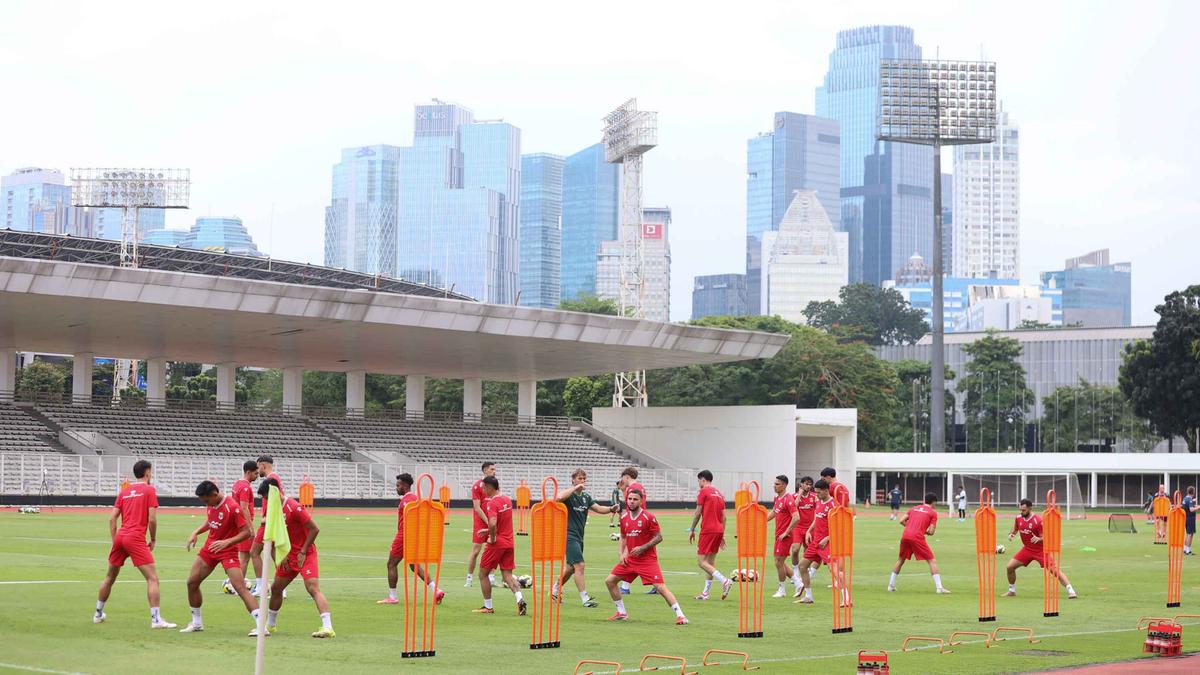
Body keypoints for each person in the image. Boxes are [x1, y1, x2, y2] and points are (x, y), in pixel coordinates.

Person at [93, 459, 176, 628]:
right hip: (135, 537)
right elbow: (152, 519)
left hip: (121, 536)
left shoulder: (125, 491)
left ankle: (97, 614)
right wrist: (153, 538)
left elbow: (112, 518)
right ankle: (156, 619)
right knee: (152, 578)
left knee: (109, 577)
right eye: (150, 472)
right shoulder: (149, 490)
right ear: (147, 473)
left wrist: (115, 540)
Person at [257, 478, 336, 638]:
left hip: (305, 554)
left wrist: (303, 551)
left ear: (276, 492)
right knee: (276, 589)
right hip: (287, 556)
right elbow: (271, 541)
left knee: (312, 587)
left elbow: (314, 529)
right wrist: (280, 558)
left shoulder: (294, 507)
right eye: (264, 498)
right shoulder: (272, 511)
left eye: (267, 497)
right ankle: (270, 626)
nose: (265, 500)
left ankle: (328, 627)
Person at [180, 480, 259, 633]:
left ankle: (261, 626)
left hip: (227, 551)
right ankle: (196, 623)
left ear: (215, 494)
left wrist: (227, 542)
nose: (206, 504)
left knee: (240, 587)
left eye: (207, 501)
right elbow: (211, 522)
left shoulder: (233, 508)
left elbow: (247, 532)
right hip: (210, 549)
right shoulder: (211, 504)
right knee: (191, 582)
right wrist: (195, 532)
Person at [603, 486, 688, 625]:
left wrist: (643, 548)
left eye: (635, 499)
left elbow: (659, 537)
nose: (631, 502)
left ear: (641, 501)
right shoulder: (624, 517)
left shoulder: (649, 517)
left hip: (647, 560)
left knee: (660, 587)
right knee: (610, 581)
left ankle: (681, 616)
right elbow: (624, 537)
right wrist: (622, 553)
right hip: (630, 560)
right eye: (629, 499)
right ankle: (621, 612)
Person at [552, 469, 616, 607]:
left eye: (583, 479)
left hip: (579, 536)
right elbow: (557, 497)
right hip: (568, 535)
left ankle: (555, 589)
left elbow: (598, 508)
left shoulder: (586, 497)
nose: (582, 481)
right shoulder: (569, 495)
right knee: (580, 565)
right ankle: (585, 598)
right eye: (579, 478)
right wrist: (574, 488)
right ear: (573, 480)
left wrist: (611, 509)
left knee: (570, 568)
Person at [378, 473, 444, 606]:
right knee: (414, 566)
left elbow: (412, 520)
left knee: (391, 564)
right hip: (414, 535)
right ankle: (435, 590)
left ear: (405, 485)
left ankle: (393, 597)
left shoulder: (408, 500)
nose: (396, 488)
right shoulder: (416, 498)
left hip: (405, 535)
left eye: (398, 485)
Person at [472, 476, 527, 615]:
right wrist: (488, 530)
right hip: (509, 542)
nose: (483, 490)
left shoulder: (492, 503)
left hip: (497, 543)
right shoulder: (507, 500)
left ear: (490, 488)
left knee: (482, 574)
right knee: (508, 575)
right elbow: (500, 522)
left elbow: (492, 523)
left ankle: (488, 606)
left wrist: (492, 536)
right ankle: (520, 599)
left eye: (484, 487)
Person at [1004, 498, 1077, 599]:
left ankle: (1071, 591)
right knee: (1010, 567)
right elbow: (1016, 529)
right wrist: (1012, 534)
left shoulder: (1038, 521)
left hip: (1040, 551)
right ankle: (1011, 591)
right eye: (1020, 510)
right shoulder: (1018, 518)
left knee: (1054, 570)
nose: (1021, 512)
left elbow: (1045, 537)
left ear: (1030, 508)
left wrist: (1039, 539)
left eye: (1024, 510)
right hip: (1027, 549)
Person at [795, 479, 849, 606]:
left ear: (826, 491)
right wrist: (809, 530)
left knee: (834, 569)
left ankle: (846, 598)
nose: (817, 495)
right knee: (802, 566)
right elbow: (817, 518)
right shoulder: (819, 502)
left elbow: (841, 526)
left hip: (828, 543)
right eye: (816, 492)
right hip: (815, 542)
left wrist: (828, 538)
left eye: (819, 492)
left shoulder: (834, 506)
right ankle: (808, 596)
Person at [888, 492, 950, 594]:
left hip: (905, 535)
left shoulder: (914, 508)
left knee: (900, 560)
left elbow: (901, 520)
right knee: (931, 561)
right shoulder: (933, 513)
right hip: (917, 537)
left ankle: (891, 586)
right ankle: (939, 588)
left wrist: (911, 527)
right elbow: (931, 532)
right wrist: (923, 531)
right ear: (933, 502)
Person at [688, 470, 731, 600]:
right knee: (710, 563)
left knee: (701, 562)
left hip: (708, 529)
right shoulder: (719, 493)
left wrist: (692, 529)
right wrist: (722, 534)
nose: (699, 484)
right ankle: (705, 593)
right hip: (718, 530)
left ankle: (725, 581)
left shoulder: (703, 492)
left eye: (699, 481)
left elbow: (697, 513)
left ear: (702, 479)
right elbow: (724, 517)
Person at [249, 455, 284, 596]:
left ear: (263, 465)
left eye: (258, 468)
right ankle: (281, 587)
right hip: (271, 523)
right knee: (274, 553)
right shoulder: (275, 478)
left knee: (254, 552)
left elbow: (280, 499)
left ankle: (261, 587)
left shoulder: (272, 479)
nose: (258, 471)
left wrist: (268, 518)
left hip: (268, 524)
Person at [225, 460, 259, 595]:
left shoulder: (237, 484)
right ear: (248, 472)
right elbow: (244, 507)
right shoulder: (245, 487)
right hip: (244, 525)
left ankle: (235, 583)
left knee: (242, 557)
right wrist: (250, 528)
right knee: (245, 558)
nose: (257, 476)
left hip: (238, 524)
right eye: (255, 473)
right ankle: (238, 587)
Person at [764, 475, 799, 598]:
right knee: (780, 562)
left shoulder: (788, 499)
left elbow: (796, 517)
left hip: (785, 536)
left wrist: (786, 532)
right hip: (778, 535)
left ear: (784, 485)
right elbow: (774, 512)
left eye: (777, 484)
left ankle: (782, 590)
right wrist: (761, 521)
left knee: (778, 562)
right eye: (774, 484)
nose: (774, 486)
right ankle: (798, 583)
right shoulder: (778, 498)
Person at [465, 462, 497, 588]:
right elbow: (477, 508)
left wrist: (493, 521)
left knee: (493, 549)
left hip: (492, 522)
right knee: (476, 551)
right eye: (492, 469)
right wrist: (487, 521)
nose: (494, 471)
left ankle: (492, 577)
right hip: (480, 523)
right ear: (485, 470)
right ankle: (469, 578)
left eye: (495, 469)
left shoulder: (495, 485)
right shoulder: (477, 486)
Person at [616, 467, 645, 594]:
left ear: (626, 476)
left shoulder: (632, 489)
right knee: (642, 556)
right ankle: (625, 587)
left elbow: (630, 507)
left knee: (628, 555)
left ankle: (625, 588)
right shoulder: (639, 487)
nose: (622, 480)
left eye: (623, 477)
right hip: (640, 522)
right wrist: (623, 491)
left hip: (635, 523)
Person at [790, 476, 818, 596]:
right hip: (797, 528)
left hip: (810, 529)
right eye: (806, 484)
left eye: (810, 484)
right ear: (801, 485)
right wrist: (800, 495)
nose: (808, 486)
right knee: (795, 550)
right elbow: (793, 507)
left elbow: (817, 511)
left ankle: (806, 573)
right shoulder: (794, 496)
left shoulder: (814, 497)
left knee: (808, 553)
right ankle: (795, 571)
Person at [1183, 486, 1197, 555]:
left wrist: (1193, 501)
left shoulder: (1185, 499)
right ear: (1193, 492)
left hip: (1186, 518)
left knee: (1188, 534)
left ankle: (1185, 548)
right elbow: (1191, 509)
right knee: (1190, 534)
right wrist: (1198, 507)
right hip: (1190, 518)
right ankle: (1188, 550)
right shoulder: (1190, 500)